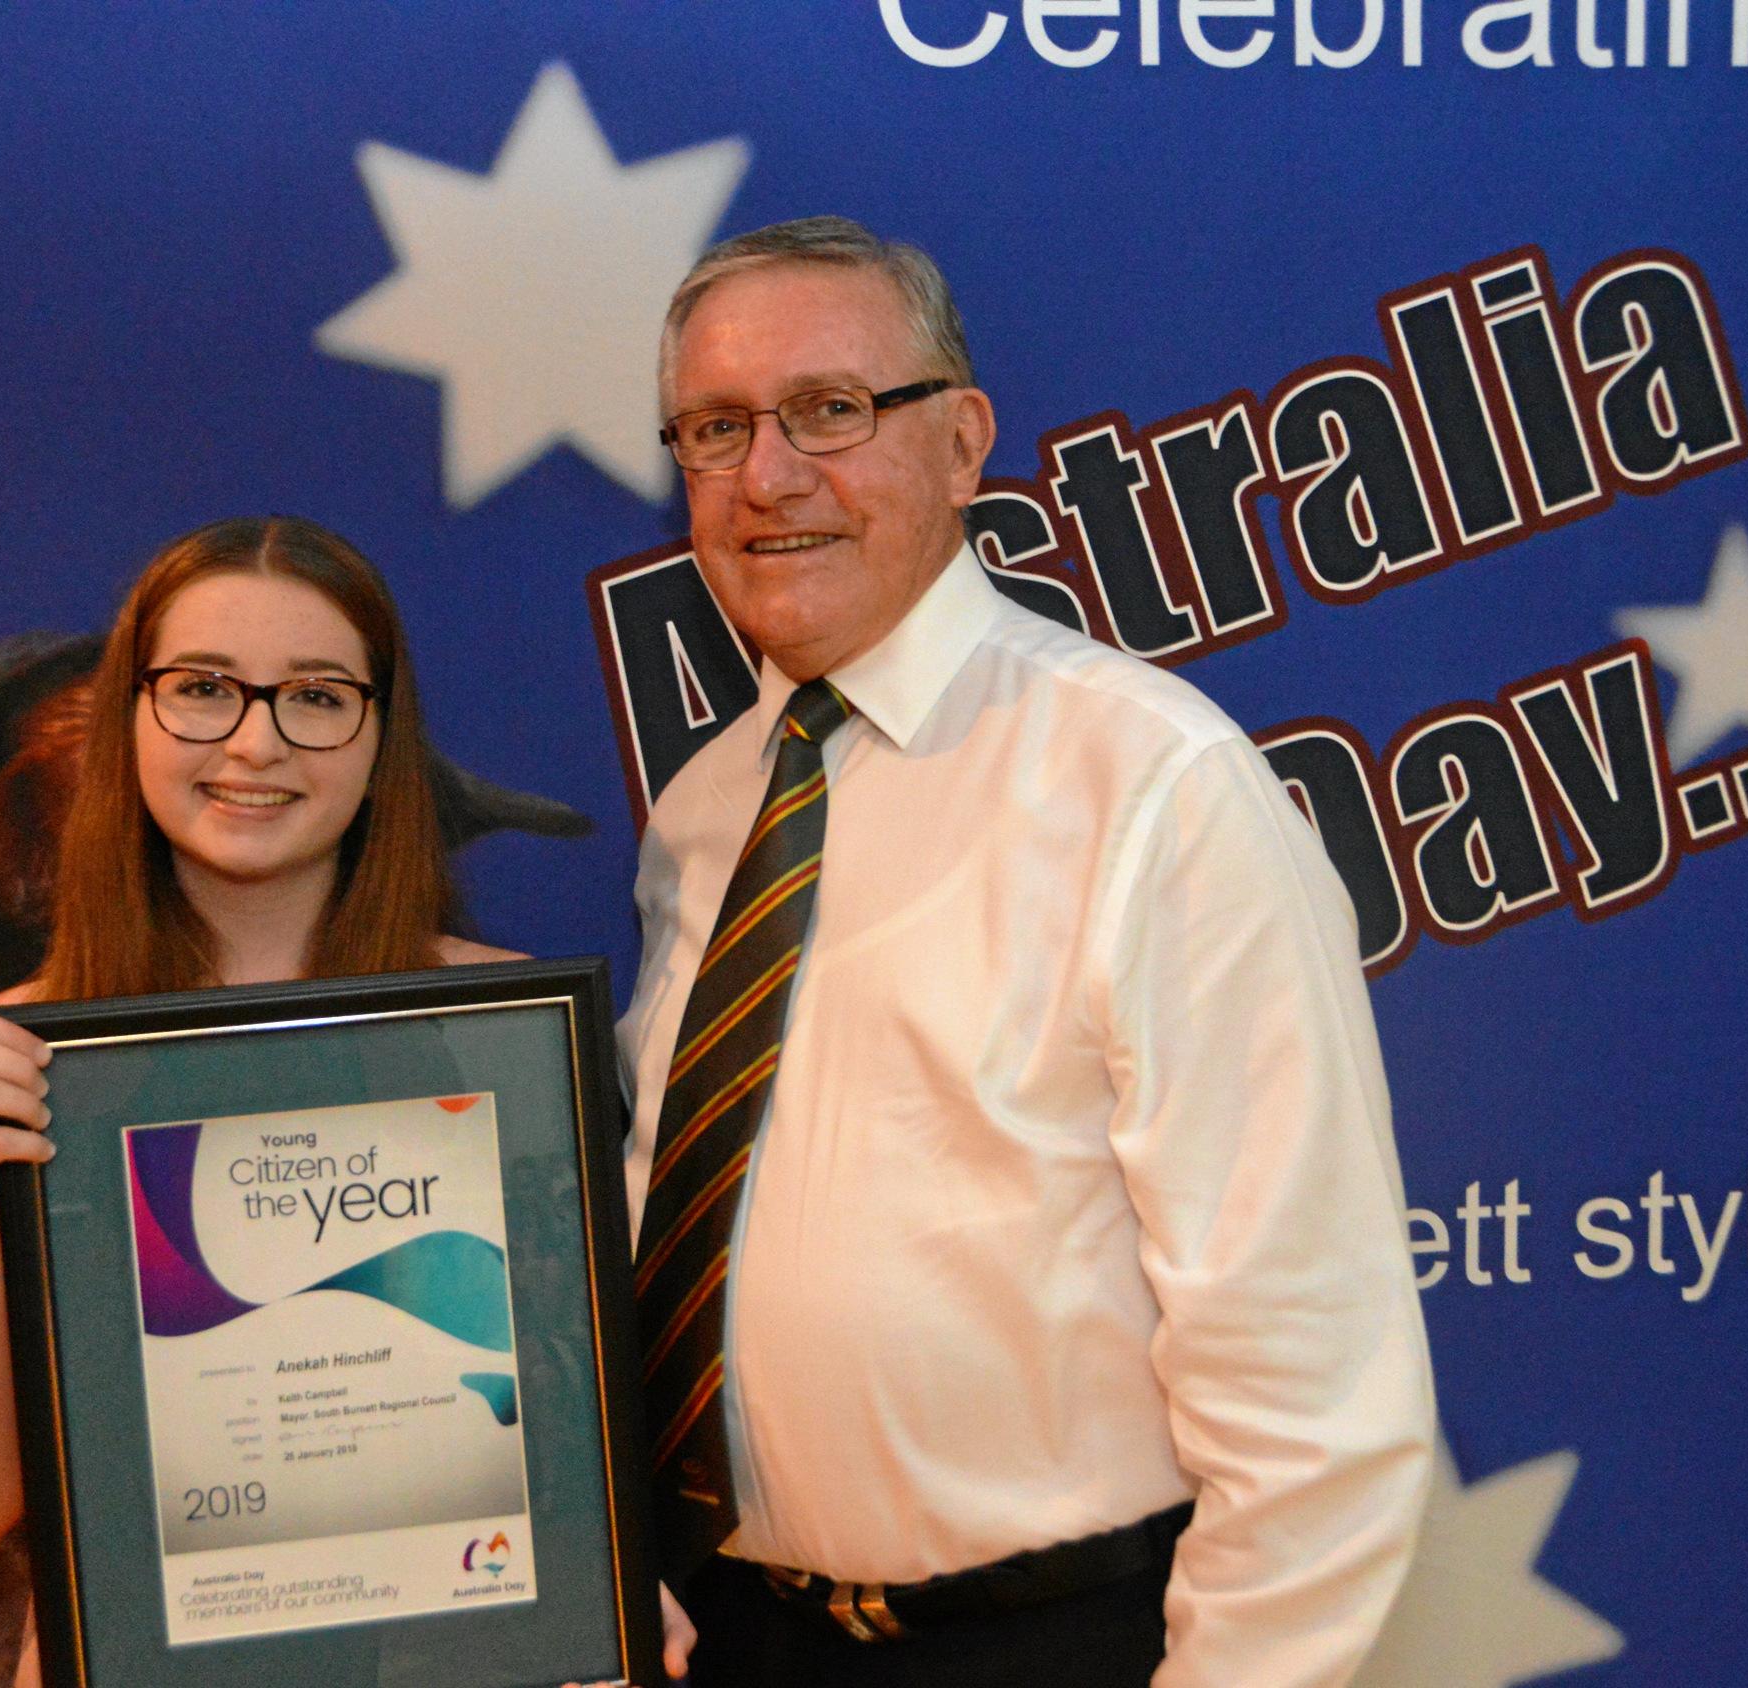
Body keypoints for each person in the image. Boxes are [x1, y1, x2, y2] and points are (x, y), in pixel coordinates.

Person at [618, 216, 1435, 1687]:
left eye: (830, 411)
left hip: (1050, 1643)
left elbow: (1312, 1384)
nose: (767, 476)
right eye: (714, 428)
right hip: (726, 1636)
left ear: (960, 442)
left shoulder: (1154, 787)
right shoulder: (701, 812)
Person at [0, 516, 565, 1679]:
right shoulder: (12, 1056)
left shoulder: (500, 1035)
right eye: (202, 688)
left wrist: (608, 1574)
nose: (255, 742)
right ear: (131, 718)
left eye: (317, 694)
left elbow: (574, 1411)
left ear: (380, 733)